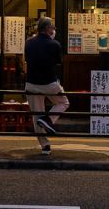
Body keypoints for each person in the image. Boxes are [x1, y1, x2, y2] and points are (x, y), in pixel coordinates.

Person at [24, 17, 69, 155]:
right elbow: (58, 62)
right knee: (63, 102)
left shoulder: (29, 42)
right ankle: (48, 120)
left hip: (31, 83)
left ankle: (45, 146)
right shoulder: (54, 44)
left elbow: (27, 59)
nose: (54, 30)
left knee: (36, 115)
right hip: (49, 83)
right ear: (48, 28)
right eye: (53, 28)